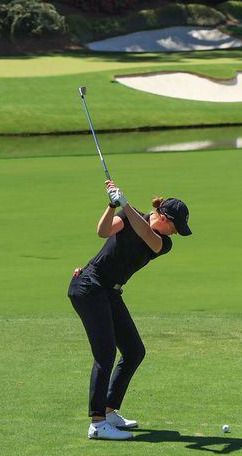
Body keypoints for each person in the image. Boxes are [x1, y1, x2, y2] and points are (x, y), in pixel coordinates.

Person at [68, 178, 192, 440]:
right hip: (89, 285)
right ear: (164, 217)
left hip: (110, 292)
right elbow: (102, 231)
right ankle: (98, 423)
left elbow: (146, 234)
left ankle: (110, 410)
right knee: (105, 352)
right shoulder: (127, 215)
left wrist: (126, 203)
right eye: (175, 227)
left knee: (134, 351)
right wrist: (113, 205)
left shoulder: (163, 243)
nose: (175, 233)